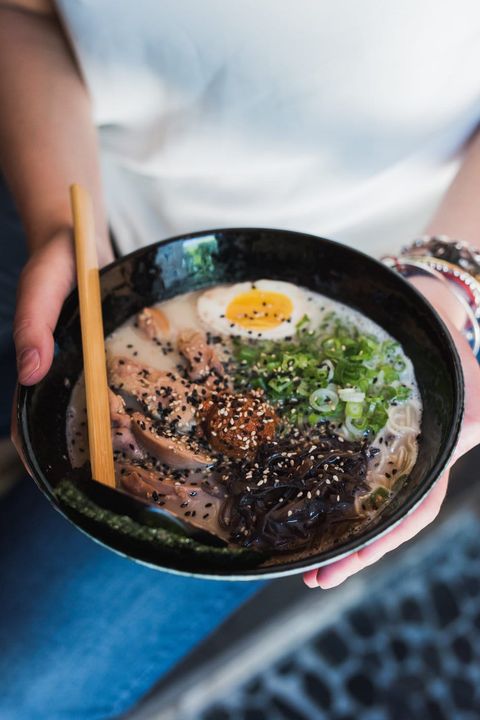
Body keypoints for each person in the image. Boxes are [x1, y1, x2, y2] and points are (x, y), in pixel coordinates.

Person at [1, 0, 480, 717]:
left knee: (17, 692)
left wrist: (447, 283)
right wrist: (62, 226)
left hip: (394, 264)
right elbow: (21, 16)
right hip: (87, 221)